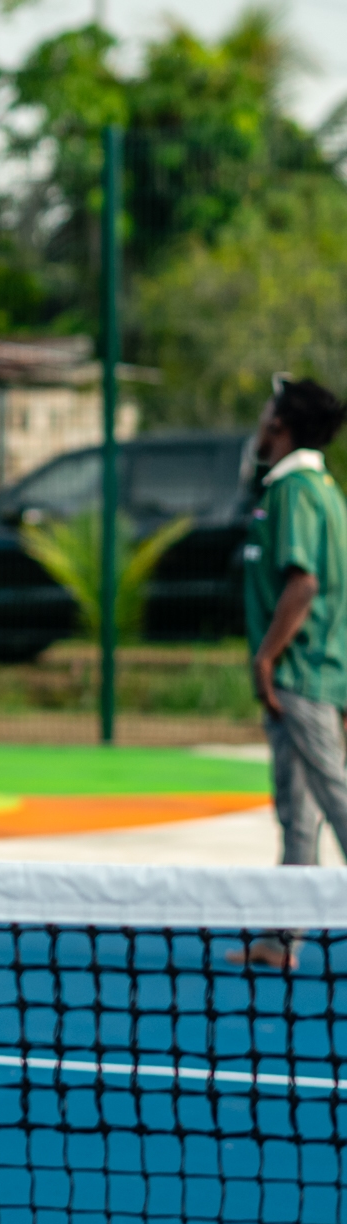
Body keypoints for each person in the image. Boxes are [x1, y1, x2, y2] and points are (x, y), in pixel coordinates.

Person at [235, 376, 347, 971]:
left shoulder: (296, 491)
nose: (260, 419)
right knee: (298, 811)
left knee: (336, 797)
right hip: (317, 674)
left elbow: (303, 585)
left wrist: (267, 657)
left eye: (267, 409)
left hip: (301, 676)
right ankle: (283, 940)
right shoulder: (314, 488)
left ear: (280, 424)